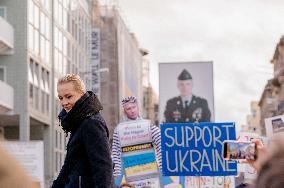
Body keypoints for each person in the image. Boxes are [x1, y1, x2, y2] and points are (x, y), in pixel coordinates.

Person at [51, 74, 113, 188]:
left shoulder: (92, 123)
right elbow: (68, 167)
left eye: (68, 96)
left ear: (82, 94)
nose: (64, 102)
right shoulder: (78, 122)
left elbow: (103, 168)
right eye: (60, 98)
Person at [111, 96, 161, 178]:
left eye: (134, 107)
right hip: (129, 172)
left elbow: (161, 146)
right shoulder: (119, 131)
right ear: (124, 111)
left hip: (148, 171)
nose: (132, 111)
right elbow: (116, 154)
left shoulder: (149, 127)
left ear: (138, 107)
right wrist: (117, 176)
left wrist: (162, 170)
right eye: (128, 109)